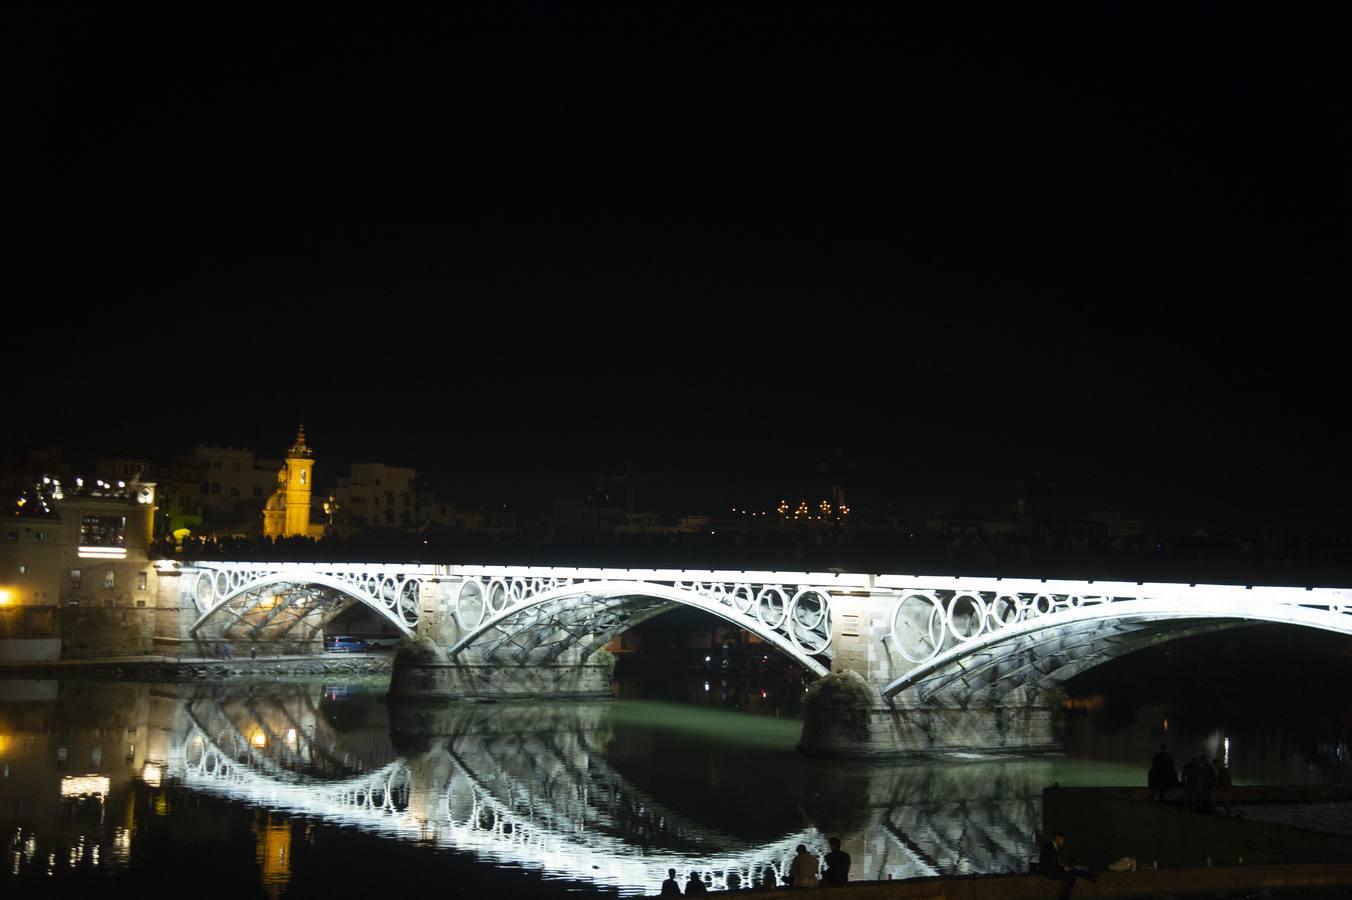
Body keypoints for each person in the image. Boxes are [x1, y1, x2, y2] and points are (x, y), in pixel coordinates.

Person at [1039, 831, 1096, 900]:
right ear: (1057, 838)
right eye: (1062, 839)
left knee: (1072, 871)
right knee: (1071, 877)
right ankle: (1091, 877)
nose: (1063, 841)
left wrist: (1062, 866)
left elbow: (1052, 861)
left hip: (1052, 869)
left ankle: (1091, 876)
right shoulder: (1050, 847)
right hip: (1049, 871)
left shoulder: (1050, 845)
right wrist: (1063, 868)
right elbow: (1052, 864)